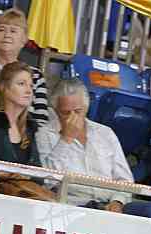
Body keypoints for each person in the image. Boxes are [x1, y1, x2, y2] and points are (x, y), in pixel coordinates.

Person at [36, 78, 133, 212]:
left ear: (86, 108)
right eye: (65, 113)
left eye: (77, 111)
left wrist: (117, 202)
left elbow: (125, 179)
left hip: (109, 205)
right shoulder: (45, 134)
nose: (72, 118)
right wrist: (66, 139)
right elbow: (48, 181)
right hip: (69, 207)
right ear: (56, 111)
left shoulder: (105, 133)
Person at [0, 9, 47, 125]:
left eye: (13, 31)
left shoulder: (36, 76)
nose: (7, 35)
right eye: (1, 30)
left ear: (24, 39)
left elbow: (41, 121)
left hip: (24, 133)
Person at [0, 61, 42, 167]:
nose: (29, 91)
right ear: (3, 87)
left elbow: (37, 170)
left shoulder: (29, 128)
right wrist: (0, 174)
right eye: (21, 84)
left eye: (31, 86)